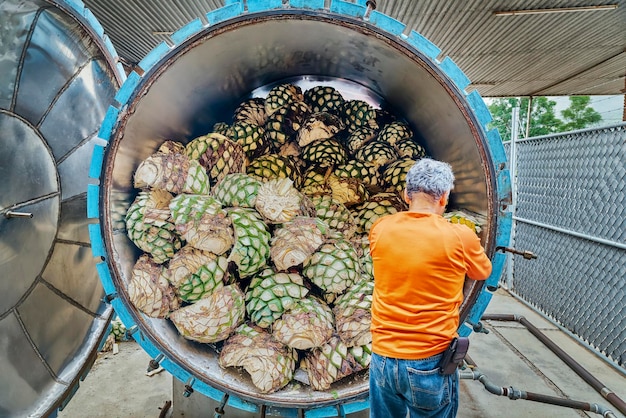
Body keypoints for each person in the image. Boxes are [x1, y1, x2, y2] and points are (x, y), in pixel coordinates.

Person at [368, 158, 492, 417]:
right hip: (429, 361)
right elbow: (483, 272)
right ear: (444, 197)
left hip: (382, 358)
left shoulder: (380, 229)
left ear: (405, 194)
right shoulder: (460, 236)